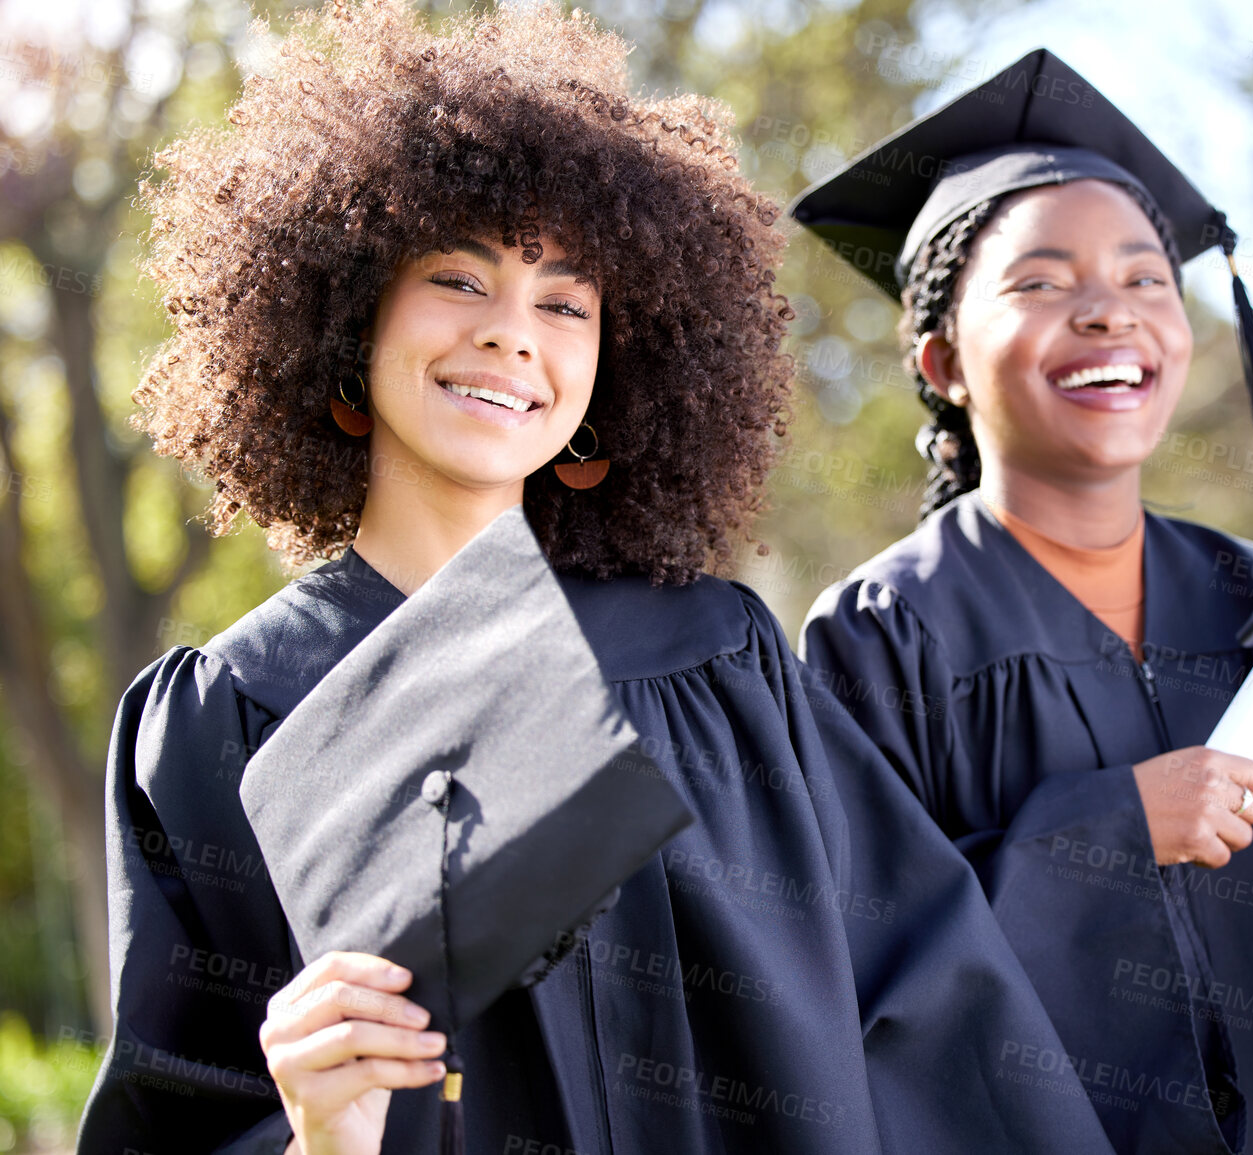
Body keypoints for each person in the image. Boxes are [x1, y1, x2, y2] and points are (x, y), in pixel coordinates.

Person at [77, 8, 1115, 1154]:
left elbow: (933, 1008)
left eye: (567, 302)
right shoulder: (231, 714)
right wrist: (325, 1136)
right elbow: (180, 1118)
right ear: (343, 326)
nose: (515, 334)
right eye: (457, 279)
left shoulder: (716, 663)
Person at [793, 48, 1253, 1155]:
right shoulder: (883, 633)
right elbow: (844, 976)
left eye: (1145, 278)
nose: (1109, 313)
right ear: (944, 361)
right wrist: (1112, 834)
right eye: (1041, 282)